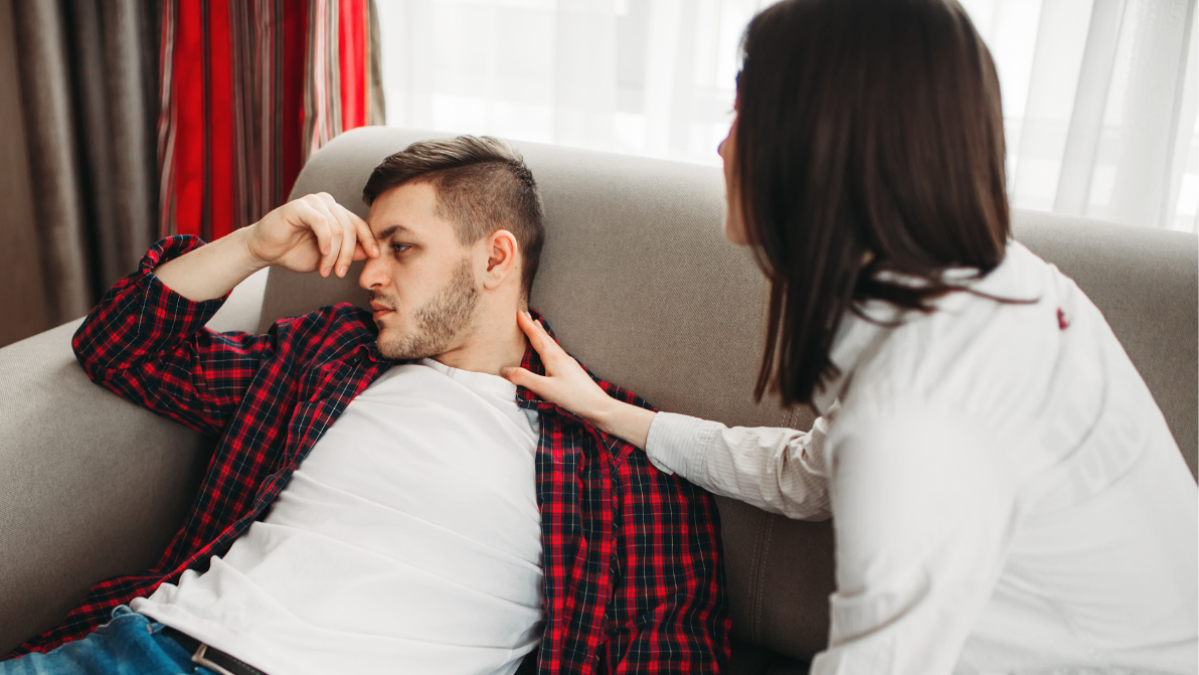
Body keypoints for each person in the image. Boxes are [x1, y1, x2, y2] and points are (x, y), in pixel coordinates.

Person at [501, 0, 1199, 673]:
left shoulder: (922, 403)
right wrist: (613, 412)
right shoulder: (981, 285)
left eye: (742, 112)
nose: (720, 145)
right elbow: (810, 475)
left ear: (820, 145)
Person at [4, 136, 730, 675]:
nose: (367, 272)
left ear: (495, 259)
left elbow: (669, 650)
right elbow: (119, 350)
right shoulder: (330, 356)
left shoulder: (618, 453)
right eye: (370, 245)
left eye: (402, 247)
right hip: (142, 652)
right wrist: (253, 244)